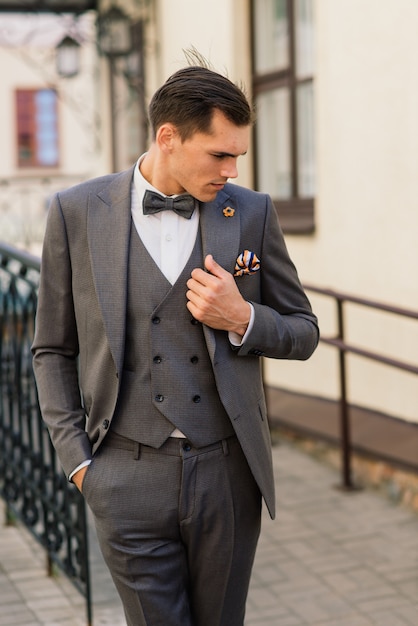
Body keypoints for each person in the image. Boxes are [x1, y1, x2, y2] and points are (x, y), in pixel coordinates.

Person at [32, 59, 319, 626]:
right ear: (168, 137)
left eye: (237, 154)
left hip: (227, 473)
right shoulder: (76, 213)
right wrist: (80, 465)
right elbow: (52, 349)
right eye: (219, 154)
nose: (232, 169)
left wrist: (242, 317)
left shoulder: (251, 212)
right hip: (123, 475)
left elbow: (304, 330)